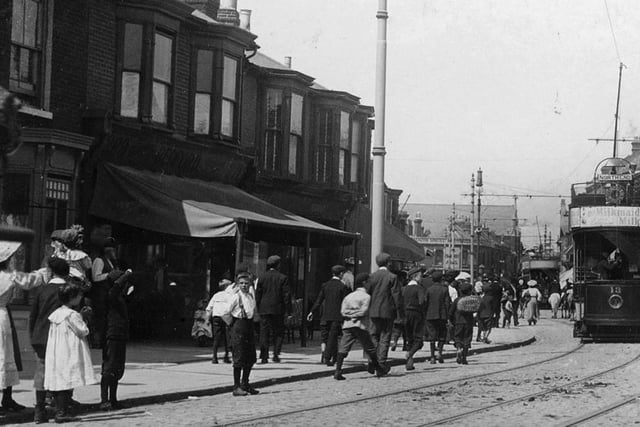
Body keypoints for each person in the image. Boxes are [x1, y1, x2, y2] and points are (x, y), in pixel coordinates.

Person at [0, 241, 45, 416]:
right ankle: (7, 397)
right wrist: (44, 271)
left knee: (5, 355)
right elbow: (30, 281)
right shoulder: (9, 276)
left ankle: (7, 398)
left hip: (4, 313)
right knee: (5, 354)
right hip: (2, 316)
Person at [44, 281, 98, 423]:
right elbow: (82, 331)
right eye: (78, 295)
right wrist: (85, 318)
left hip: (57, 350)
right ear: (72, 297)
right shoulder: (72, 315)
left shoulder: (57, 313)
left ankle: (62, 409)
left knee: (59, 380)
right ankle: (62, 412)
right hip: (68, 350)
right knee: (67, 380)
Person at [29, 257, 68, 423]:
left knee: (41, 373)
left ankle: (39, 411)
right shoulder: (68, 289)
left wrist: (33, 336)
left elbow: (34, 316)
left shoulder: (42, 290)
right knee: (61, 372)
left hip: (41, 336)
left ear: (51, 271)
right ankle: (60, 411)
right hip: (61, 337)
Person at [333, 273, 387, 380]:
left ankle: (338, 370)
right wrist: (356, 315)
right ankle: (378, 368)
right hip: (360, 325)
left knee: (343, 347)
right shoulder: (366, 297)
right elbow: (363, 311)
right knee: (370, 348)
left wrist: (350, 315)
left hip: (347, 325)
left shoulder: (348, 296)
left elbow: (343, 311)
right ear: (364, 283)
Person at [99, 262, 132, 411]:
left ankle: (113, 399)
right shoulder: (110, 295)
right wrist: (126, 274)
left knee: (117, 369)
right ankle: (104, 400)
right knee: (109, 368)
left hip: (120, 336)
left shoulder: (119, 298)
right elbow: (117, 286)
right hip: (111, 336)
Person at [366, 253, 402, 374]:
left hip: (373, 311)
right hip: (388, 312)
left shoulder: (372, 277)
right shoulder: (392, 277)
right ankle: (381, 364)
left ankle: (372, 360)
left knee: (373, 336)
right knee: (385, 338)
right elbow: (397, 296)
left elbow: (367, 294)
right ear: (388, 263)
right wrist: (399, 313)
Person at [225, 272, 259, 396]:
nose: (244, 285)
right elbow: (225, 313)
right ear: (238, 285)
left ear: (250, 284)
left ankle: (245, 383)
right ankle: (236, 387)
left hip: (249, 327)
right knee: (239, 358)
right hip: (238, 327)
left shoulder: (250, 296)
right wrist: (232, 327)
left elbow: (253, 312)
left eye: (246, 283)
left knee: (250, 357)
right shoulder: (235, 297)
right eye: (241, 283)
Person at [308, 265, 349, 366]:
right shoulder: (342, 286)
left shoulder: (325, 285)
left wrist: (312, 311)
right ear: (341, 274)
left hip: (326, 315)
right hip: (337, 315)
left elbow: (319, 300)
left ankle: (333, 357)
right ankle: (327, 357)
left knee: (328, 337)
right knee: (333, 336)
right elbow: (345, 302)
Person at [255, 255, 291, 364]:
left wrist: (258, 306)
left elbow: (258, 294)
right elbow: (286, 295)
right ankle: (276, 354)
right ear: (278, 265)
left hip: (264, 308)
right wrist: (289, 310)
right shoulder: (283, 278)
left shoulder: (262, 277)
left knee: (264, 332)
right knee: (278, 332)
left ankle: (264, 356)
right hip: (278, 308)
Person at [89, 237, 123, 348]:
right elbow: (96, 277)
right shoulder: (99, 260)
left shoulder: (111, 262)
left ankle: (103, 340)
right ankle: (97, 342)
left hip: (107, 294)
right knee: (100, 318)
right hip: (100, 294)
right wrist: (108, 275)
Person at [424, 270, 451, 364]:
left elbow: (425, 303)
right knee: (442, 335)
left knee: (432, 336)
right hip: (442, 315)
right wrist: (448, 316)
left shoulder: (429, 290)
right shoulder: (444, 289)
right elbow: (447, 304)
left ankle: (432, 357)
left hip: (430, 315)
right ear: (441, 279)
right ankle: (439, 353)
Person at [448, 281, 478, 365]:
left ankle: (458, 349)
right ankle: (464, 358)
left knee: (458, 337)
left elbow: (451, 312)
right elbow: (475, 310)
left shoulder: (457, 300)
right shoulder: (472, 300)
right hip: (468, 322)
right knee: (467, 339)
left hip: (458, 321)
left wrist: (450, 320)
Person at [402, 267, 425, 370]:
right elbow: (422, 302)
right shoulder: (419, 289)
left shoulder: (404, 289)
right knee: (419, 340)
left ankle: (409, 363)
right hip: (416, 314)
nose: (422, 278)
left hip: (405, 314)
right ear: (415, 277)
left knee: (409, 339)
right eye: (420, 276)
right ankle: (410, 354)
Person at [205, 278, 233, 364]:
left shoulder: (216, 295)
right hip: (226, 317)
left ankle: (214, 357)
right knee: (227, 337)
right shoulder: (230, 295)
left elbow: (209, 308)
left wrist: (207, 319)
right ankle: (226, 356)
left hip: (216, 317)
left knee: (217, 337)